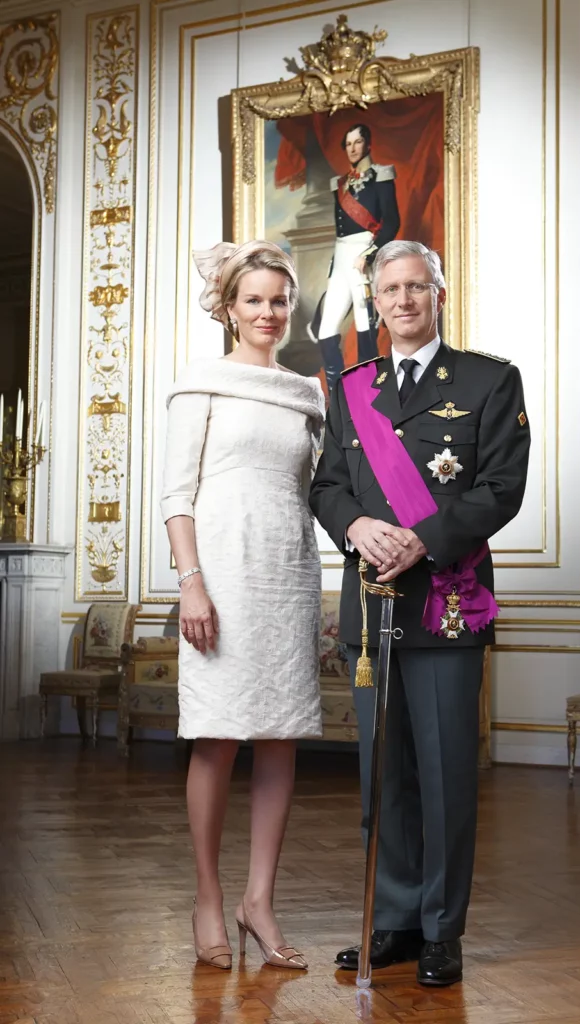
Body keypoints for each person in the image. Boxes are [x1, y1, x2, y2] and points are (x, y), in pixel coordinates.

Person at [309, 240, 530, 987]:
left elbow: (500, 487)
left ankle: (441, 929)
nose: (402, 300)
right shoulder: (351, 387)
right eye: (389, 289)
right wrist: (353, 526)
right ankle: (394, 920)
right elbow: (326, 485)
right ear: (372, 300)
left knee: (443, 777)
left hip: (446, 606)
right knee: (384, 776)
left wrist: (421, 541)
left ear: (438, 293)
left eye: (416, 287)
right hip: (370, 611)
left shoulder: (487, 379)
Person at [160, 239, 325, 972]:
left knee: (280, 737)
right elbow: (175, 496)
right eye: (254, 300)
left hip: (287, 575)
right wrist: (191, 582)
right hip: (219, 578)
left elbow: (319, 490)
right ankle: (207, 894)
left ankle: (258, 900)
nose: (268, 312)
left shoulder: (308, 393)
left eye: (279, 300)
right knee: (217, 736)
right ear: (228, 308)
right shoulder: (201, 383)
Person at [308, 123, 400, 392]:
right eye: (348, 144)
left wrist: (369, 255)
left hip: (364, 254)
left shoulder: (381, 175)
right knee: (326, 329)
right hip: (341, 257)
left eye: (357, 142)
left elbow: (392, 222)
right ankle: (339, 395)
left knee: (364, 322)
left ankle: (367, 392)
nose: (352, 148)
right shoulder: (339, 184)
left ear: (367, 144)